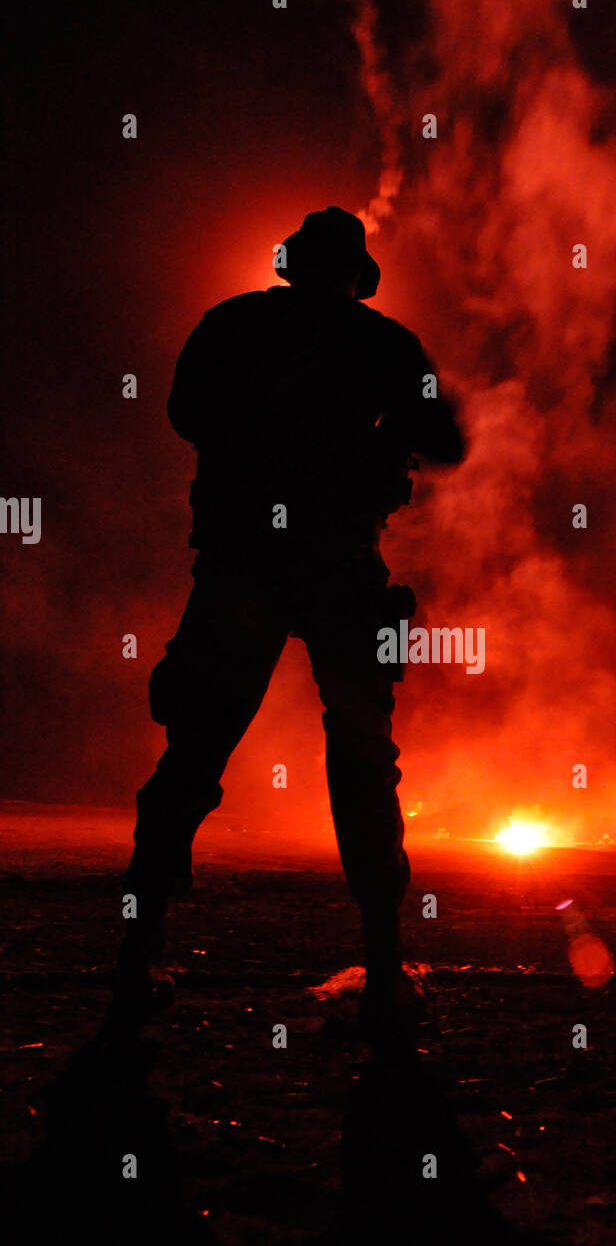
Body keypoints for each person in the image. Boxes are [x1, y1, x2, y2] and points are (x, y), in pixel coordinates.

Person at [110, 206, 465, 1045]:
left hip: (241, 564)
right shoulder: (384, 344)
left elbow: (185, 412)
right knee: (363, 758)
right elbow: (445, 437)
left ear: (290, 265)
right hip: (338, 565)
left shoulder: (230, 324)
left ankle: (136, 953)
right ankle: (384, 971)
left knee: (192, 751)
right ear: (356, 276)